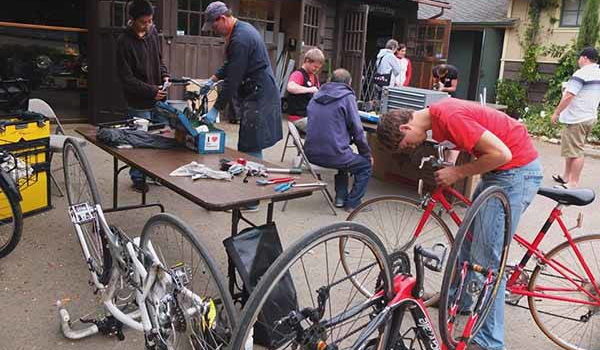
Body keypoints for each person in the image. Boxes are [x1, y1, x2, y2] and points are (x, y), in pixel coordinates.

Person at [377, 98, 542, 350]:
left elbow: (502, 154)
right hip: (500, 171)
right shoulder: (439, 116)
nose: (411, 147)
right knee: (467, 243)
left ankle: (489, 342)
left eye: (406, 144)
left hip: (515, 171)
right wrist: (456, 167)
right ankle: (460, 300)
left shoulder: (448, 117)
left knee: (487, 262)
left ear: (404, 128)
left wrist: (459, 172)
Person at [201, 1, 282, 211]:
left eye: (214, 26)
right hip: (256, 91)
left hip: (259, 93)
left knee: (250, 146)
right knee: (250, 145)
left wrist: (216, 108)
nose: (215, 32)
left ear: (222, 19)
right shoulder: (240, 31)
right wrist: (213, 77)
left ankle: (251, 199)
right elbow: (232, 64)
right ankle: (252, 193)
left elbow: (234, 79)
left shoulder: (241, 38)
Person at [116, 0, 169, 193]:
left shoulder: (152, 32)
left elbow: (160, 58)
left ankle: (155, 173)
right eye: (143, 22)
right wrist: (151, 90)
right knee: (140, 139)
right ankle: (138, 177)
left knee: (163, 135)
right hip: (138, 100)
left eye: (150, 21)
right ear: (132, 20)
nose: (147, 26)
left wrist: (165, 74)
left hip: (158, 95)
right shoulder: (123, 41)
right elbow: (126, 79)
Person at [304, 68, 372, 212]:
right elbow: (358, 131)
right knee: (364, 165)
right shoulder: (347, 97)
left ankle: (340, 198)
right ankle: (353, 203)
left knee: (344, 153)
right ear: (349, 83)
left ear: (330, 80)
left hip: (310, 154)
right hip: (334, 155)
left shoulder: (316, 96)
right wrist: (367, 155)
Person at [550, 46, 600, 188]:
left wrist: (556, 112)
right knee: (571, 149)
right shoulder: (598, 73)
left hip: (577, 118)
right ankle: (566, 176)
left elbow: (569, 96)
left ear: (584, 58)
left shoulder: (582, 73)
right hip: (589, 116)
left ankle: (573, 182)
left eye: (579, 58)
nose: (578, 60)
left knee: (576, 151)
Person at [286, 48, 325, 123]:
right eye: (315, 67)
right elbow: (290, 87)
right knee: (321, 127)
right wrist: (310, 89)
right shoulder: (298, 74)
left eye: (318, 68)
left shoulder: (314, 77)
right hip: (298, 118)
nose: (316, 70)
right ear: (307, 61)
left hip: (310, 116)